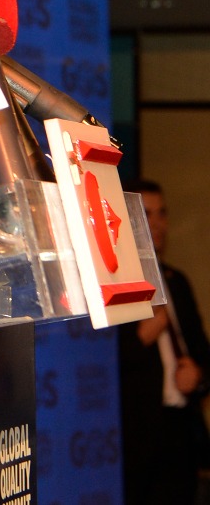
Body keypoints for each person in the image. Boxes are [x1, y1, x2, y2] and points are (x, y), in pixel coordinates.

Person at [118, 178, 210, 504]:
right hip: (135, 436)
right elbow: (101, 363)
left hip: (181, 431)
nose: (156, 224)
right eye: (146, 214)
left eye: (162, 213)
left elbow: (202, 352)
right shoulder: (116, 283)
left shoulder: (176, 281)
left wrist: (197, 374)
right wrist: (144, 335)